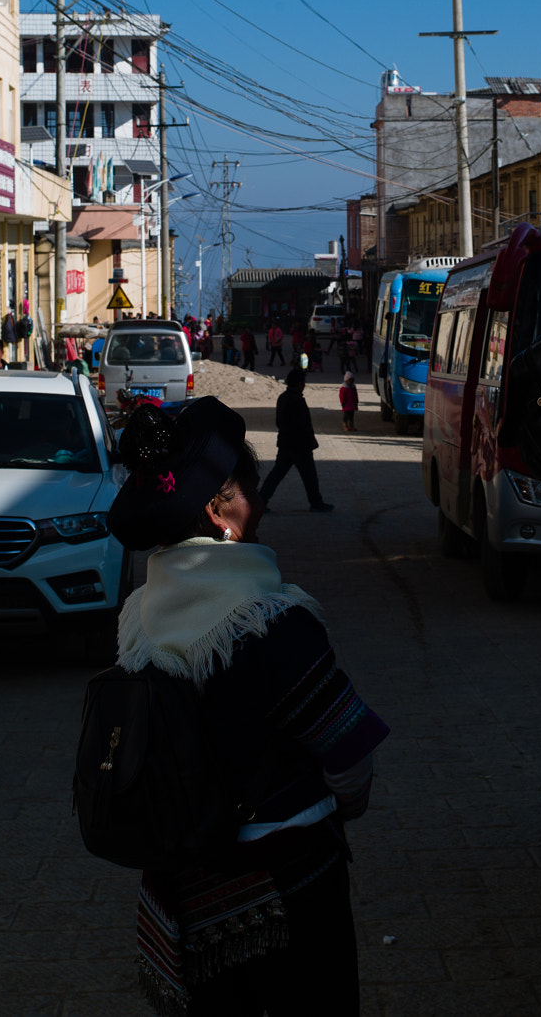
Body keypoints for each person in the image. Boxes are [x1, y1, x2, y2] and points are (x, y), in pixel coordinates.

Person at [107, 398, 385, 1015]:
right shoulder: (268, 621)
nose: (259, 502)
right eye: (252, 487)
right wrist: (344, 808)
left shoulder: (137, 620)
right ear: (220, 510)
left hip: (188, 893)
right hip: (286, 886)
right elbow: (347, 760)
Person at [259, 365, 334, 513]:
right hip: (300, 446)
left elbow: (279, 422)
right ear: (299, 383)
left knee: (276, 474)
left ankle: (260, 501)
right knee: (309, 476)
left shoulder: (283, 398)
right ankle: (316, 502)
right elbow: (303, 424)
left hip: (286, 443)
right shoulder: (297, 400)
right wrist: (310, 439)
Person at [337, 368, 359, 434]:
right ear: (346, 380)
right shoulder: (343, 389)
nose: (351, 382)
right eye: (350, 380)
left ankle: (351, 425)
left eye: (352, 380)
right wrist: (342, 402)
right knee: (346, 415)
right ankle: (345, 424)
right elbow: (342, 396)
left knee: (352, 415)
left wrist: (356, 402)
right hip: (346, 404)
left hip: (352, 404)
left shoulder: (353, 387)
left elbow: (355, 395)